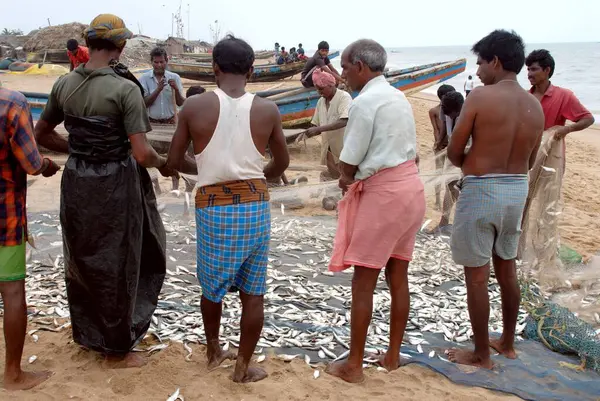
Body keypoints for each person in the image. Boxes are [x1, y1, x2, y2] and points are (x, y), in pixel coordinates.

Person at [34, 13, 174, 368]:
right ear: (121, 46)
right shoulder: (125, 89)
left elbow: (43, 134)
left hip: (78, 182)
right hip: (115, 183)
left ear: (88, 43)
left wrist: (81, 150)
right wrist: (164, 163)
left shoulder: (64, 85)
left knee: (83, 256)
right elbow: (142, 153)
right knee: (119, 259)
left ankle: (90, 334)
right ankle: (117, 349)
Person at [166, 34, 289, 383]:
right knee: (253, 291)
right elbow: (281, 164)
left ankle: (213, 350)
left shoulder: (194, 107)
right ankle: (243, 366)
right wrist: (253, 176)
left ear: (214, 68)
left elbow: (175, 160)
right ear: (251, 70)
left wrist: (209, 171)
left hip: (213, 209)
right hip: (254, 207)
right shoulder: (267, 109)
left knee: (212, 287)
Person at [325, 39, 425, 383]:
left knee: (363, 282)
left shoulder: (364, 102)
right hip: (411, 190)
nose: (342, 75)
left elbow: (349, 161)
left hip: (384, 196)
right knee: (398, 275)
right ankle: (392, 355)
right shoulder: (398, 97)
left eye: (345, 67)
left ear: (360, 68)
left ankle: (354, 365)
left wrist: (345, 178)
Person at [446, 30, 544, 369]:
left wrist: (472, 159)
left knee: (476, 275)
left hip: (483, 190)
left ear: (496, 62)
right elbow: (530, 160)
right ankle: (507, 341)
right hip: (517, 189)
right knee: (507, 268)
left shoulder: (480, 97)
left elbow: (455, 151)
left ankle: (481, 354)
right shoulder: (535, 104)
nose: (478, 69)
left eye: (480, 62)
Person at [0, 88, 60, 390]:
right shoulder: (11, 102)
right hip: (4, 218)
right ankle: (12, 374)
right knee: (11, 292)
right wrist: (50, 165)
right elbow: (32, 162)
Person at [526, 49, 594, 152]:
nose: (529, 74)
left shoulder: (564, 96)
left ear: (547, 70)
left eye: (534, 69)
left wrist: (567, 129)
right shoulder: (525, 96)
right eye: (528, 69)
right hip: (523, 153)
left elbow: (588, 119)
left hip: (548, 154)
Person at [300, 69, 351, 182]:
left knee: (345, 176)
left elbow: (344, 121)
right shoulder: (320, 102)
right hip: (328, 147)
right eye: (317, 89)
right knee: (333, 174)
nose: (319, 92)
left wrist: (319, 129)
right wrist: (306, 132)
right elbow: (315, 124)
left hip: (343, 145)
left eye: (321, 89)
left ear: (331, 85)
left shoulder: (344, 97)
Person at [428, 91, 465, 234]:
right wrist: (438, 143)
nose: (447, 115)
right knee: (450, 186)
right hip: (453, 150)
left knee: (463, 189)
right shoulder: (446, 109)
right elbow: (444, 127)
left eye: (451, 113)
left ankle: (460, 225)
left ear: (459, 109)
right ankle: (443, 223)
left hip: (468, 154)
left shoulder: (467, 115)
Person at [139, 47, 185, 124]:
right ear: (151, 62)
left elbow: (180, 103)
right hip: (152, 123)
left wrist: (176, 89)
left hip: (171, 122)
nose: (159, 65)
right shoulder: (144, 78)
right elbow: (144, 104)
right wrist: (158, 89)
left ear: (166, 61)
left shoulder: (175, 77)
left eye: (161, 62)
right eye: (156, 62)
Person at [428, 84, 456, 209]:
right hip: (440, 147)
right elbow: (436, 130)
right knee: (438, 174)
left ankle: (447, 202)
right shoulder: (434, 111)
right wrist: (437, 143)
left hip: (451, 147)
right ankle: (437, 200)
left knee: (450, 177)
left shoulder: (454, 111)